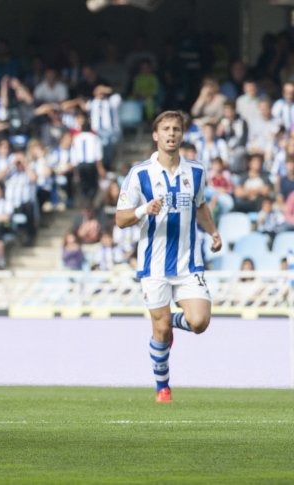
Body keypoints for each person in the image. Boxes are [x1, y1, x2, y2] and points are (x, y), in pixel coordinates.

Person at [115, 110, 223, 403]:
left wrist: (213, 232)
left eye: (176, 129)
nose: (171, 133)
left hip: (188, 264)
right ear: (156, 135)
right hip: (154, 265)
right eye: (166, 129)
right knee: (160, 330)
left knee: (199, 322)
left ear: (182, 134)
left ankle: (167, 321)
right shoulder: (139, 174)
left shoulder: (196, 171)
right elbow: (120, 218)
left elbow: (200, 206)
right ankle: (162, 387)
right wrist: (142, 210)